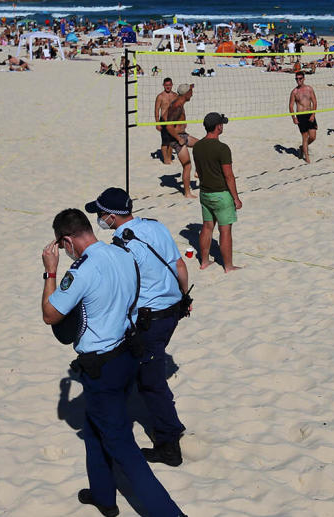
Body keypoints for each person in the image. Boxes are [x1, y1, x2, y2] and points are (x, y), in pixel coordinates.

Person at [41, 208, 185, 517]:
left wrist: (51, 272)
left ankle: (170, 513)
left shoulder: (82, 270)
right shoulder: (123, 253)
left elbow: (51, 315)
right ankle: (104, 495)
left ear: (67, 241)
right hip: (126, 355)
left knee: (123, 447)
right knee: (94, 430)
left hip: (101, 365)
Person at [84, 188, 190, 468]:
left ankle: (170, 443)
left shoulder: (121, 244)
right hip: (172, 310)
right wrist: (183, 297)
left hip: (150, 318)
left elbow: (124, 289)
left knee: (151, 383)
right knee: (141, 370)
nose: (99, 219)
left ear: (111, 216)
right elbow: (178, 264)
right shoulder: (155, 226)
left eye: (100, 214)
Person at [192, 112, 243, 271]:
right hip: (221, 195)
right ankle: (228, 266)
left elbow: (199, 171)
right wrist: (236, 198)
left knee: (207, 227)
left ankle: (204, 262)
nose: (222, 126)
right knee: (225, 230)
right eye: (221, 124)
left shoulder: (198, 146)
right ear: (217, 127)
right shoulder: (222, 148)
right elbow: (229, 176)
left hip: (205, 193)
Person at [164, 83, 200, 198]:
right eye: (191, 91)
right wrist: (178, 139)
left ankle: (198, 171)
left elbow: (165, 115)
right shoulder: (177, 107)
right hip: (177, 138)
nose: (192, 94)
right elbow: (169, 126)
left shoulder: (179, 103)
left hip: (183, 135)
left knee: (201, 145)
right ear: (186, 94)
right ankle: (187, 193)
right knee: (187, 166)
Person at [289, 71, 318, 163]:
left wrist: (313, 114)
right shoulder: (294, 92)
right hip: (300, 116)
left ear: (304, 79)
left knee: (313, 137)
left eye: (300, 78)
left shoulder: (309, 89)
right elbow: (290, 106)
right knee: (305, 137)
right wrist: (294, 118)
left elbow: (314, 102)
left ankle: (302, 147)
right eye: (296, 79)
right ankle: (307, 158)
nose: (298, 80)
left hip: (310, 114)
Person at [155, 77, 178, 164]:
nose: (168, 87)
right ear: (163, 85)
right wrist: (157, 123)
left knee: (172, 141)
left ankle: (169, 157)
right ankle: (165, 159)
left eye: (169, 85)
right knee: (165, 141)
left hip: (173, 121)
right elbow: (156, 110)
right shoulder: (160, 96)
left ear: (172, 85)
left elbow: (180, 109)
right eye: (166, 85)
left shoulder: (175, 95)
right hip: (164, 121)